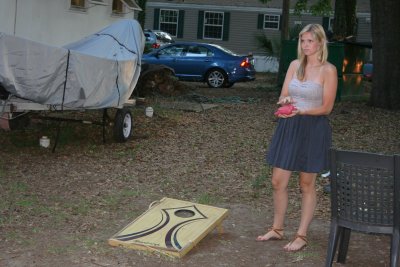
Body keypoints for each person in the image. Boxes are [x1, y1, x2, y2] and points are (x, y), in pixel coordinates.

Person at [256, 24, 337, 252]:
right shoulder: (294, 65)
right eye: (303, 41)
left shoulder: (328, 70)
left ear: (320, 42)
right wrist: (286, 103)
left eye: (310, 41)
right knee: (277, 181)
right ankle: (278, 229)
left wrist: (301, 111)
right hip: (289, 126)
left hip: (313, 129)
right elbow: (284, 94)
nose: (305, 45)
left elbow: (327, 108)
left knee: (306, 184)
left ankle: (301, 235)